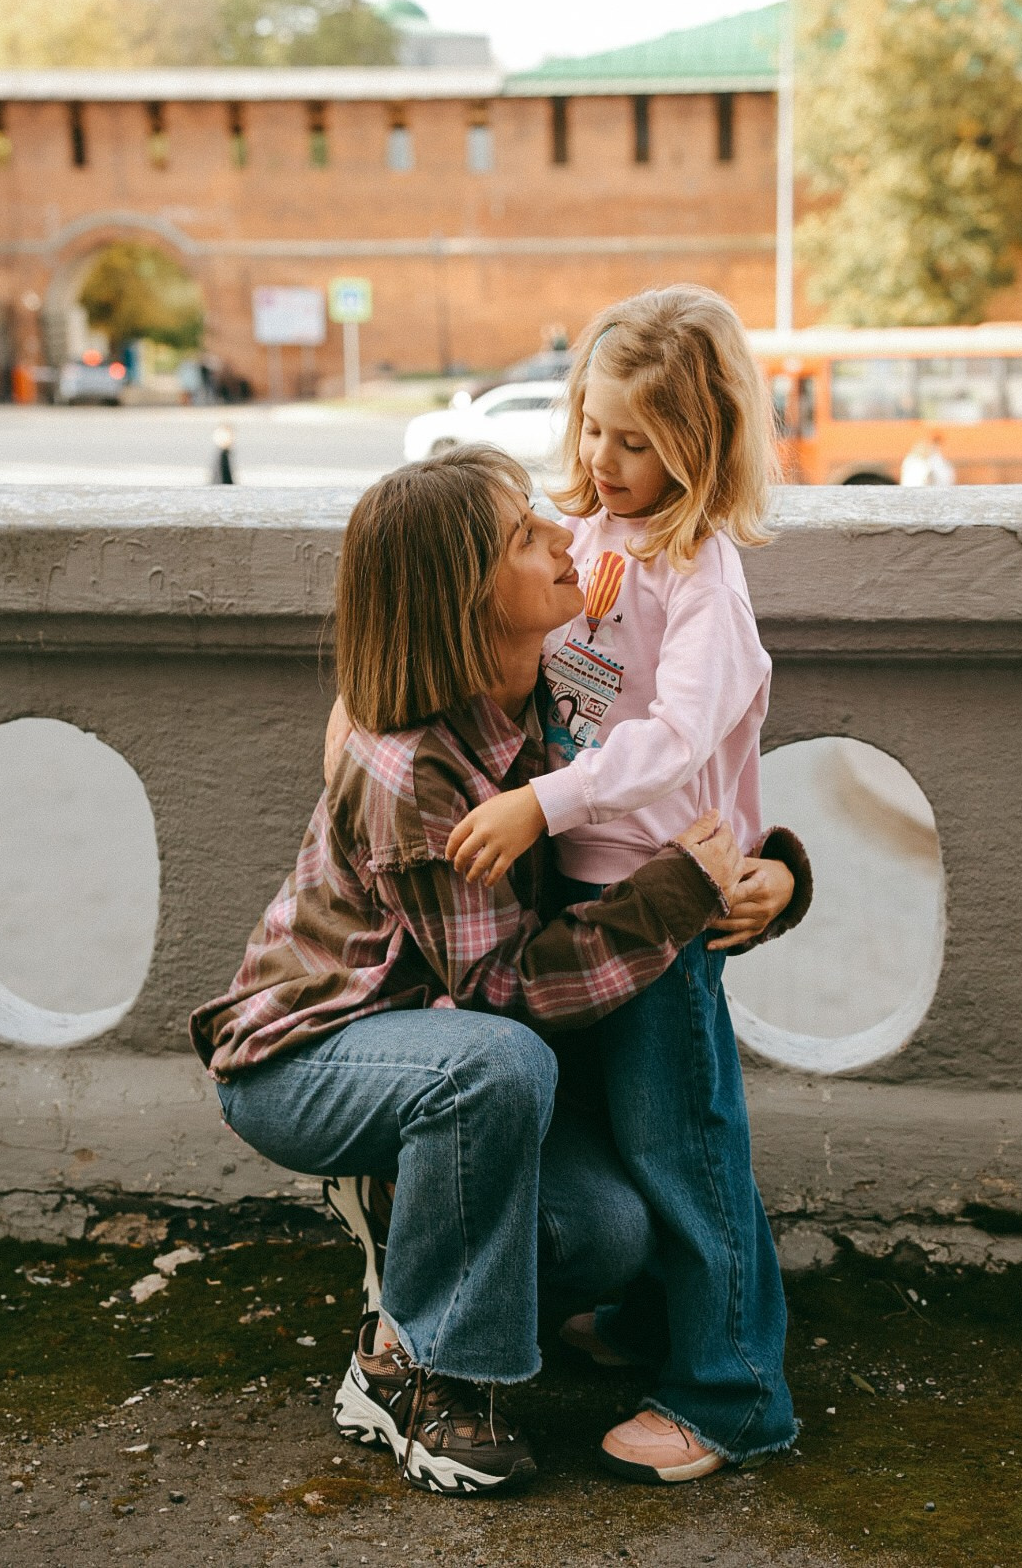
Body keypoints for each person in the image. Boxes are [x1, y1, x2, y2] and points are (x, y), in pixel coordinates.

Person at [190, 446, 765, 1496]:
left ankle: (404, 1251)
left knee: (605, 1235)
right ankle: (421, 1377)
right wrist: (681, 894)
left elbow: (656, 803)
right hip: (312, 1052)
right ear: (467, 597)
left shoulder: (552, 689)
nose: (565, 535)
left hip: (443, 1039)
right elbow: (506, 990)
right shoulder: (414, 768)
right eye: (524, 535)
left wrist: (771, 878)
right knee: (495, 1063)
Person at [445, 287, 812, 1481]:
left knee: (686, 1149)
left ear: (700, 446)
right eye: (594, 427)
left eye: (637, 441)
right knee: (621, 1132)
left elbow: (668, 738)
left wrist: (539, 803)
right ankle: (657, 1326)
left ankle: (733, 1392)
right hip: (586, 903)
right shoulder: (595, 540)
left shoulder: (704, 582)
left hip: (665, 917)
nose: (602, 460)